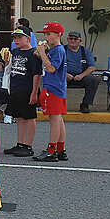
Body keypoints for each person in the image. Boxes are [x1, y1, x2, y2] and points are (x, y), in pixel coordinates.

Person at [2, 26, 42, 156]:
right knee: (19, 117)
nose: (16, 40)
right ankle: (20, 143)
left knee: (29, 117)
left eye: (19, 37)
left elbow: (36, 74)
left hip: (27, 89)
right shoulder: (15, 52)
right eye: (15, 38)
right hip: (16, 89)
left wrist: (34, 92)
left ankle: (28, 145)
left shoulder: (34, 53)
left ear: (28, 38)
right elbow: (9, 69)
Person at [35, 20, 68, 162]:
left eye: (49, 34)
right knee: (58, 119)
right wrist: (40, 53)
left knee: (54, 119)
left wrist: (42, 53)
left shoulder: (58, 50)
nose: (46, 37)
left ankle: (51, 149)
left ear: (58, 34)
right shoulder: (55, 50)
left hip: (54, 88)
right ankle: (61, 149)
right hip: (57, 88)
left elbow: (51, 68)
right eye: (45, 34)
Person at [64, 30, 99, 114]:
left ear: (80, 41)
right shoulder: (62, 50)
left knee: (93, 80)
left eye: (75, 39)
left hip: (80, 77)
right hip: (64, 76)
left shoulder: (85, 51)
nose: (73, 41)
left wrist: (81, 76)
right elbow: (55, 66)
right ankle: (58, 105)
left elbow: (92, 67)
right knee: (54, 79)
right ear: (67, 39)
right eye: (70, 38)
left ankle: (85, 104)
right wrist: (64, 74)